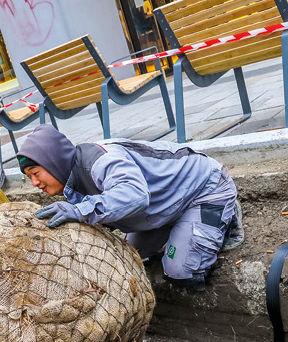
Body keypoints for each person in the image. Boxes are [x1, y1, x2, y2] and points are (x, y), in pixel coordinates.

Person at [17, 125, 243, 291]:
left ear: (52, 161)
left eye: (35, 173)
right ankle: (183, 228)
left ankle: (226, 214)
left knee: (183, 272)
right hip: (163, 205)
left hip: (203, 188)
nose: (35, 184)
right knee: (128, 258)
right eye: (30, 178)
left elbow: (134, 195)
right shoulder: (72, 182)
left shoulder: (100, 161)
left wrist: (80, 211)